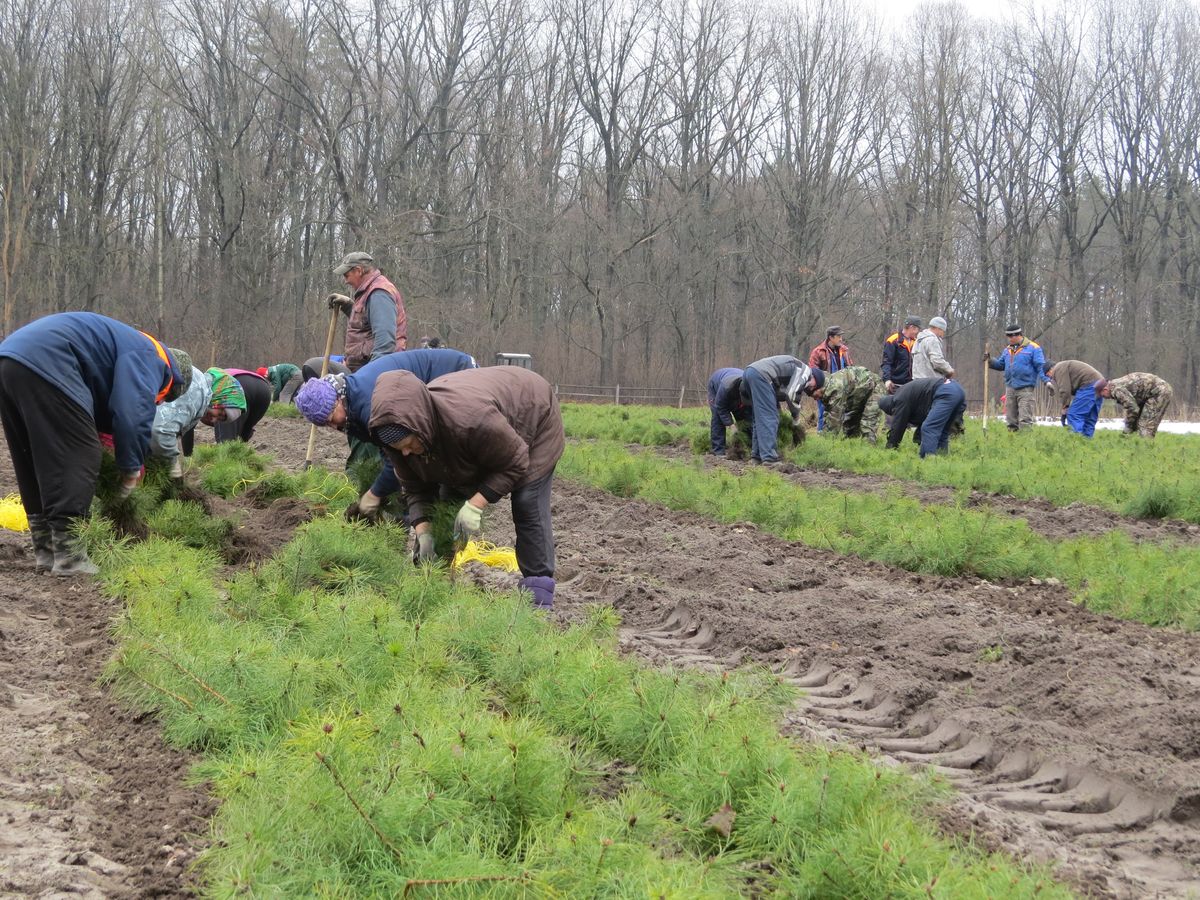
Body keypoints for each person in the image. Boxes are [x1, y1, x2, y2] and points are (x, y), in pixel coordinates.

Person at [0, 312, 187, 575]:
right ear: (172, 380)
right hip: (48, 360)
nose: (157, 402)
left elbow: (102, 410)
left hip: (10, 359)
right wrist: (130, 468)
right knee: (79, 453)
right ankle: (70, 557)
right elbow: (132, 413)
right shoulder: (149, 356)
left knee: (32, 456)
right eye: (161, 398)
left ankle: (46, 551)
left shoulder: (124, 344)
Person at [368, 367, 564, 609]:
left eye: (409, 444)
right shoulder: (396, 438)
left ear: (420, 426)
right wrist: (424, 530)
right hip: (472, 445)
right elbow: (415, 488)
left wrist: (476, 504)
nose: (405, 452)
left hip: (533, 416)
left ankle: (538, 600)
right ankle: (434, 590)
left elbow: (516, 462)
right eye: (400, 449)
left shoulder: (472, 420)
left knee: (526, 502)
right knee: (446, 511)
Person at [292, 348, 480, 515]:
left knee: (450, 466)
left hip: (458, 375)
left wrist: (375, 494)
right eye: (326, 425)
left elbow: (398, 459)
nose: (334, 426)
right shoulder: (351, 402)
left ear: (337, 400)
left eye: (331, 419)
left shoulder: (369, 406)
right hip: (438, 385)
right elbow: (388, 451)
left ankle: (450, 527)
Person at [327, 251, 407, 370]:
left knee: (313, 365)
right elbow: (366, 323)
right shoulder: (370, 291)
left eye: (346, 275)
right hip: (360, 366)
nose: (345, 281)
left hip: (373, 370)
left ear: (359, 270)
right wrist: (348, 305)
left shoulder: (379, 293)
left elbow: (385, 344)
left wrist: (368, 375)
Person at [740, 355, 824, 464]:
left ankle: (756, 457)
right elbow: (792, 394)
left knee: (760, 418)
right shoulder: (805, 372)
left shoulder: (796, 371)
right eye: (815, 386)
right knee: (770, 417)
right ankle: (769, 458)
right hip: (761, 375)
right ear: (814, 378)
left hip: (750, 372)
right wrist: (796, 419)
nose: (812, 389)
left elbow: (781, 393)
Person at [877, 377, 967, 458]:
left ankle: (928, 462)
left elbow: (898, 426)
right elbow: (924, 416)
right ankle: (942, 460)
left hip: (947, 392)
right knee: (942, 430)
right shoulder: (907, 394)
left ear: (890, 406)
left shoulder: (900, 399)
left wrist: (890, 448)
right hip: (957, 389)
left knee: (929, 428)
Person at [986, 324, 1048, 431]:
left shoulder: (1034, 348)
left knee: (1025, 419)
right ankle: (1012, 443)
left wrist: (1047, 381)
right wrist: (990, 361)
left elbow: (1041, 366)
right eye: (1007, 337)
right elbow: (1001, 365)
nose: (1008, 339)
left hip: (1026, 389)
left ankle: (1025, 444)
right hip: (1010, 388)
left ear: (1017, 335)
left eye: (1010, 336)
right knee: (1011, 420)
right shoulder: (1007, 350)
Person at [809, 365, 886, 443]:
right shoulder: (826, 390)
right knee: (850, 430)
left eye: (814, 395)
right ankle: (854, 452)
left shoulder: (835, 388)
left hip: (875, 389)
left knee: (867, 426)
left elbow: (834, 423)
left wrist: (821, 442)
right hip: (859, 397)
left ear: (819, 388)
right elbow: (828, 415)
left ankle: (870, 452)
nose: (815, 399)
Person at [1098, 373, 1174, 438]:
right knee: (1142, 424)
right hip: (1160, 390)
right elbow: (1135, 408)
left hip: (1159, 392)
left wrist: (1128, 428)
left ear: (1105, 390)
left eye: (1102, 395)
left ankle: (1145, 449)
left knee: (1145, 426)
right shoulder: (1115, 385)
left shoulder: (1116, 390)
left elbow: (1133, 409)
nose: (1103, 398)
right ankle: (1139, 446)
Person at [808, 326, 853, 431]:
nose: (841, 339)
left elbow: (851, 368)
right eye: (838, 336)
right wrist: (819, 391)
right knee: (824, 415)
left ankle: (838, 440)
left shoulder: (844, 350)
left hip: (843, 389)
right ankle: (821, 439)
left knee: (842, 415)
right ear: (830, 337)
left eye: (841, 336)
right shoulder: (818, 352)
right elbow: (812, 373)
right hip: (825, 390)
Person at [1045, 360, 1104, 438]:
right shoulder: (1064, 366)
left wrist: (1065, 406)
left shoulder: (1058, 369)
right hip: (1101, 385)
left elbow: (1065, 390)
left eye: (1047, 374)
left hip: (1089, 385)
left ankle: (1075, 442)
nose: (1049, 377)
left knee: (1074, 414)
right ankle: (1086, 443)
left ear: (1050, 369)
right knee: (1089, 418)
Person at [212, 369, 270, 444]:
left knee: (225, 442)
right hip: (263, 387)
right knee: (242, 435)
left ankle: (227, 452)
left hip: (234, 385)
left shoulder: (200, 386)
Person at [707, 367, 750, 456]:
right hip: (716, 386)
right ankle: (718, 450)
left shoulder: (750, 386)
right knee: (717, 418)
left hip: (736, 381)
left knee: (744, 417)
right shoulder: (725, 388)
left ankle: (746, 447)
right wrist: (731, 424)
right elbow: (720, 407)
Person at [881, 316, 922, 394]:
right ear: (911, 327)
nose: (918, 332)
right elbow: (886, 363)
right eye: (917, 329)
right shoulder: (893, 341)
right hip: (895, 385)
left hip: (911, 385)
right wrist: (887, 380)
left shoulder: (917, 342)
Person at [911, 316, 955, 380]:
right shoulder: (932, 340)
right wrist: (949, 370)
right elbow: (937, 361)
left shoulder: (918, 340)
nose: (942, 335)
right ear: (938, 328)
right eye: (942, 331)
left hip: (917, 381)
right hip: (930, 382)